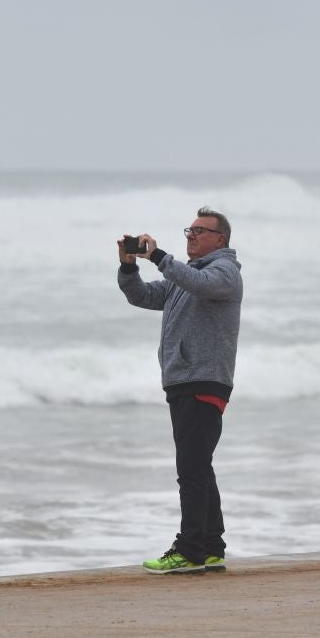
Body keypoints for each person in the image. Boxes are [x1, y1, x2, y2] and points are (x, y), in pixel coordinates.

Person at [118, 206, 243, 574]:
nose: (191, 235)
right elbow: (142, 295)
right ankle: (209, 546)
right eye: (189, 230)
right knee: (199, 466)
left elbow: (200, 284)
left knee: (191, 468)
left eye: (200, 231)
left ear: (220, 240)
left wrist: (158, 256)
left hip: (203, 379)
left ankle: (189, 549)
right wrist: (129, 266)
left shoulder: (225, 273)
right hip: (184, 379)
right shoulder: (182, 278)